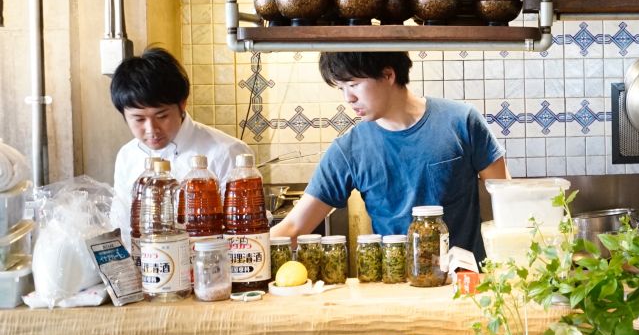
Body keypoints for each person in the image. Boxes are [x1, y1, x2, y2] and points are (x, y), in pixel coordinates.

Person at [268, 52, 508, 260]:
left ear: (388, 74)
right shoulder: (349, 149)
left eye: (352, 84)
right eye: (341, 88)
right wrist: (240, 253)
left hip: (465, 283)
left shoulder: (462, 121)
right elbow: (294, 226)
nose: (347, 98)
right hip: (394, 284)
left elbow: (506, 202)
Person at [110, 47, 250, 219]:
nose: (151, 129)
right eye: (138, 119)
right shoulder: (127, 155)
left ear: (183, 104)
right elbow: (122, 222)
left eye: (161, 116)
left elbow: (243, 228)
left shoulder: (225, 152)